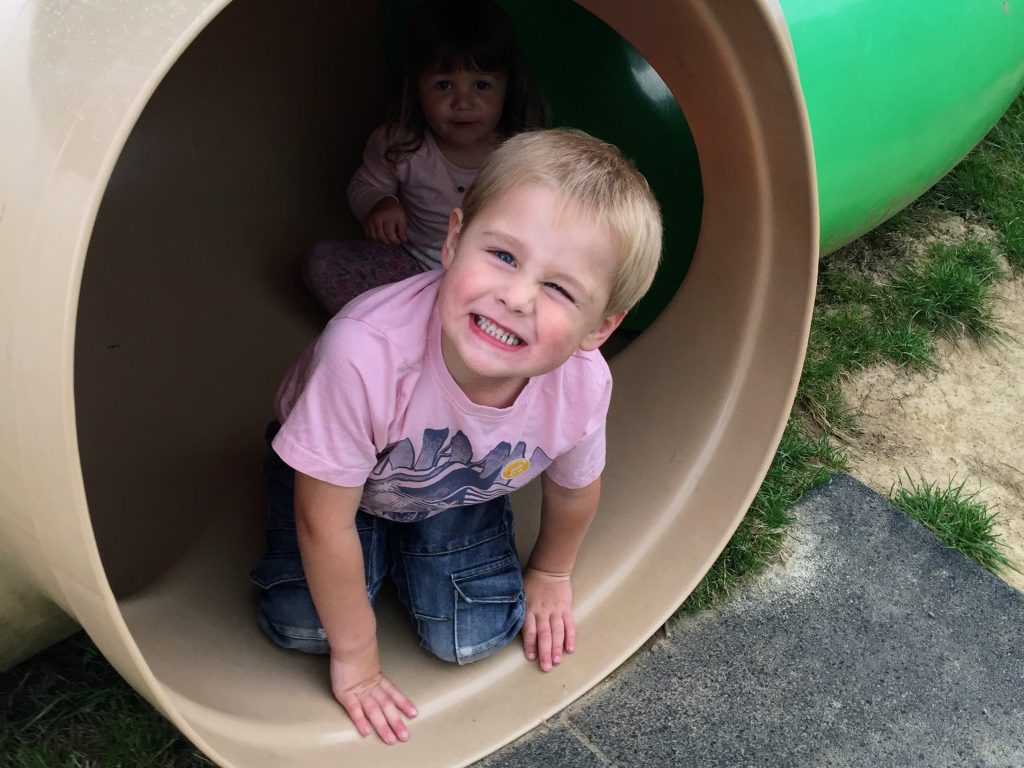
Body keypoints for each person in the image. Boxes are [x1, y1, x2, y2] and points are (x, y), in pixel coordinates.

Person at [250, 128, 663, 745]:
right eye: (502, 255)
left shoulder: (581, 382)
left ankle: (394, 552)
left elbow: (576, 488)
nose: (516, 296)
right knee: (301, 626)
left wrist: (552, 571)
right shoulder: (365, 354)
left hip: (456, 483)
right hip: (334, 487)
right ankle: (377, 554)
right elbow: (322, 522)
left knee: (478, 633)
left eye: (558, 288)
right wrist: (358, 661)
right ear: (452, 240)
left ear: (598, 327)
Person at [304, 0, 548, 314]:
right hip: (412, 268)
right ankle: (414, 325)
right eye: (443, 85)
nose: (463, 102)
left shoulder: (519, 152)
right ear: (417, 88)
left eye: (482, 85)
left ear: (507, 88)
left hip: (490, 282)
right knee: (323, 262)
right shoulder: (401, 144)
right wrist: (380, 204)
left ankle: (443, 324)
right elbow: (364, 185)